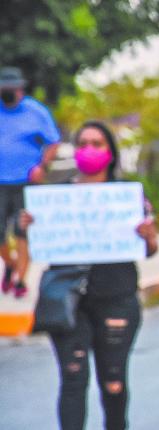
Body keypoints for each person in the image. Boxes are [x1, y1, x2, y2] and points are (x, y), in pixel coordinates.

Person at [19, 121, 158, 430]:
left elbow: (149, 249)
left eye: (97, 143)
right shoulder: (56, 198)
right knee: (73, 377)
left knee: (113, 380)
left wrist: (147, 235)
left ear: (110, 152)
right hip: (69, 302)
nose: (89, 150)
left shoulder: (127, 196)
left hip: (117, 299)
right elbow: (38, 242)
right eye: (83, 143)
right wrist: (29, 226)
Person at [0, 66, 60, 298]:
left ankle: (21, 280)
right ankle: (11, 264)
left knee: (22, 231)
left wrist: (42, 166)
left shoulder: (36, 112)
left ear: (20, 89)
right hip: (1, 182)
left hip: (26, 182)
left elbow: (53, 141)